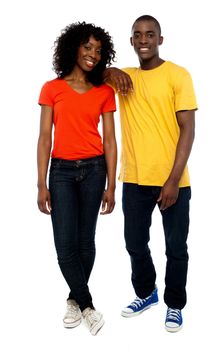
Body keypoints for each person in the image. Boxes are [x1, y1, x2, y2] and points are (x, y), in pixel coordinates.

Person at [104, 15, 197, 332]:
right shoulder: (123, 78)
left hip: (174, 182)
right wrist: (110, 70)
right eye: (137, 35)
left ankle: (174, 305)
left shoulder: (178, 75)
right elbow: (88, 74)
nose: (144, 39)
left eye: (150, 34)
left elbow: (188, 130)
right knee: (134, 243)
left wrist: (172, 180)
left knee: (176, 248)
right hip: (134, 180)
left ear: (160, 39)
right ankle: (146, 294)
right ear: (131, 41)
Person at [37, 21, 117, 336]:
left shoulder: (104, 91)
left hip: (95, 170)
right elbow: (45, 137)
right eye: (87, 47)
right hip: (61, 172)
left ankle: (73, 299)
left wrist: (112, 184)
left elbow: (110, 140)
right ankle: (86, 305)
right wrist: (40, 182)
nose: (93, 55)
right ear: (74, 47)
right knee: (64, 245)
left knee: (85, 241)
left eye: (98, 50)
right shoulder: (51, 88)